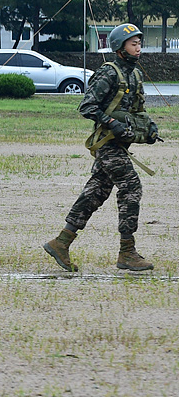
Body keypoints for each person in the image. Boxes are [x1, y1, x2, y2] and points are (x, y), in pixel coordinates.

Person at [43, 24, 160, 272]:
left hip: (120, 144)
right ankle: (127, 252)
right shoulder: (109, 73)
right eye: (133, 44)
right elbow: (87, 106)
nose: (138, 48)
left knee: (95, 192)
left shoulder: (135, 75)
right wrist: (111, 124)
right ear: (119, 48)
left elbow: (138, 110)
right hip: (108, 145)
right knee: (131, 187)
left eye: (139, 43)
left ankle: (61, 242)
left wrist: (149, 129)